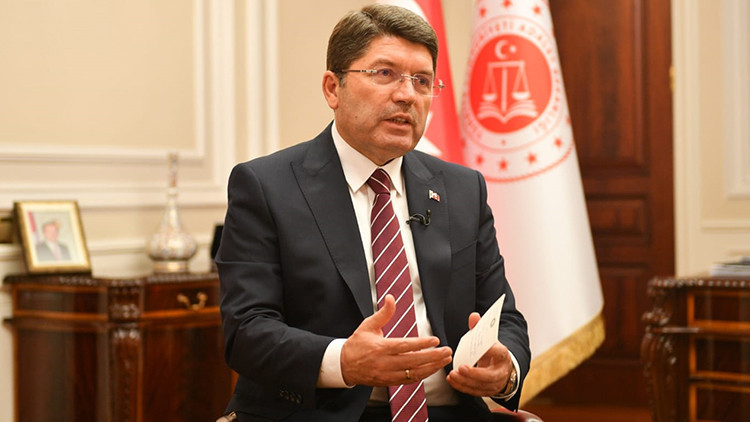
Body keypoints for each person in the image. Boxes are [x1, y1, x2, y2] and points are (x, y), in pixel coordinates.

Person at [216, 4, 530, 421]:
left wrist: (505, 371)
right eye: (384, 74)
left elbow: (504, 316)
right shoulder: (266, 186)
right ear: (333, 88)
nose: (407, 95)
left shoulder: (461, 188)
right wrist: (343, 361)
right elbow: (246, 331)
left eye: (422, 81)